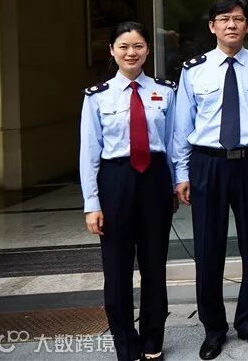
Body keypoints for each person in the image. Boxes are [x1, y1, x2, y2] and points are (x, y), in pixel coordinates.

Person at [172, 0, 248, 360]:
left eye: (238, 19)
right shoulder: (194, 70)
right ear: (212, 26)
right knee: (208, 248)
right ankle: (213, 328)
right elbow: (181, 127)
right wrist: (182, 173)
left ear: (246, 26)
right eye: (224, 19)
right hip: (208, 164)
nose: (231, 25)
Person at [80, 21, 176, 361]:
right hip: (116, 180)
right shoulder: (97, 96)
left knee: (154, 265)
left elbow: (173, 143)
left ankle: (152, 340)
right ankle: (125, 343)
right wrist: (92, 204)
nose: (131, 52)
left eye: (137, 46)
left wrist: (176, 185)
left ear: (147, 50)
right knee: (117, 268)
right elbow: (89, 154)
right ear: (112, 50)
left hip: (155, 180)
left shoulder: (166, 92)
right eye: (123, 46)